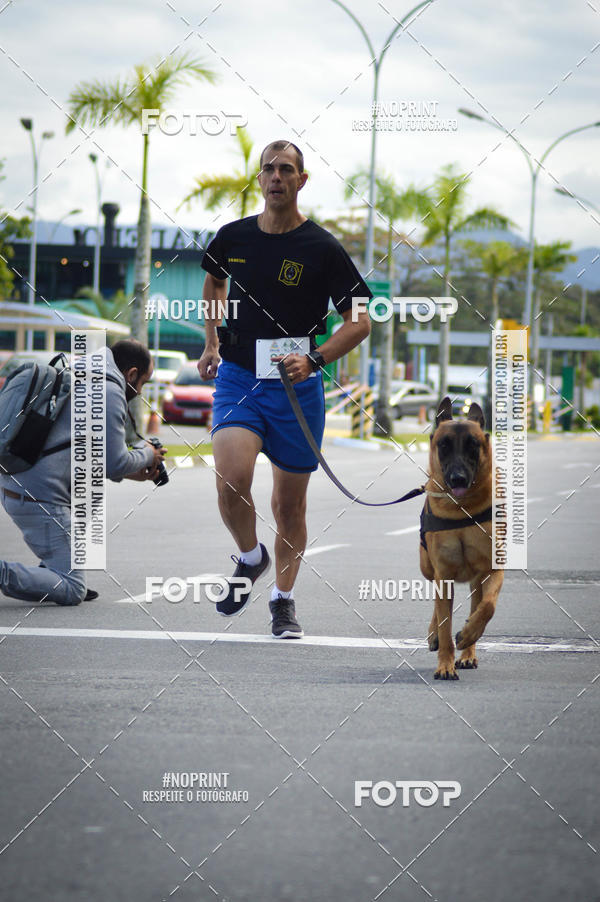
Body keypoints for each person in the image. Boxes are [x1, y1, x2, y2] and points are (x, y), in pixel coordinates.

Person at [198, 139, 371, 638]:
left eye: (287, 169)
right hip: (239, 376)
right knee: (231, 477)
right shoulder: (232, 237)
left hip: (297, 388)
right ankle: (252, 557)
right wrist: (212, 343)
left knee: (289, 506)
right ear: (259, 179)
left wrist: (316, 357)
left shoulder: (323, 248)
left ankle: (283, 600)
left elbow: (359, 322)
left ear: (301, 180)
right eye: (269, 169)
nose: (277, 176)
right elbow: (213, 284)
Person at [0, 339, 166, 606]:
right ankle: (45, 574)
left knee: (90, 491)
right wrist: (148, 453)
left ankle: (54, 566)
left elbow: (99, 460)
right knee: (72, 588)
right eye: (143, 383)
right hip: (38, 500)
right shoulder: (110, 391)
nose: (140, 391)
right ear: (131, 374)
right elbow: (115, 463)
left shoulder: (83, 371)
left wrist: (140, 471)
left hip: (18, 486)